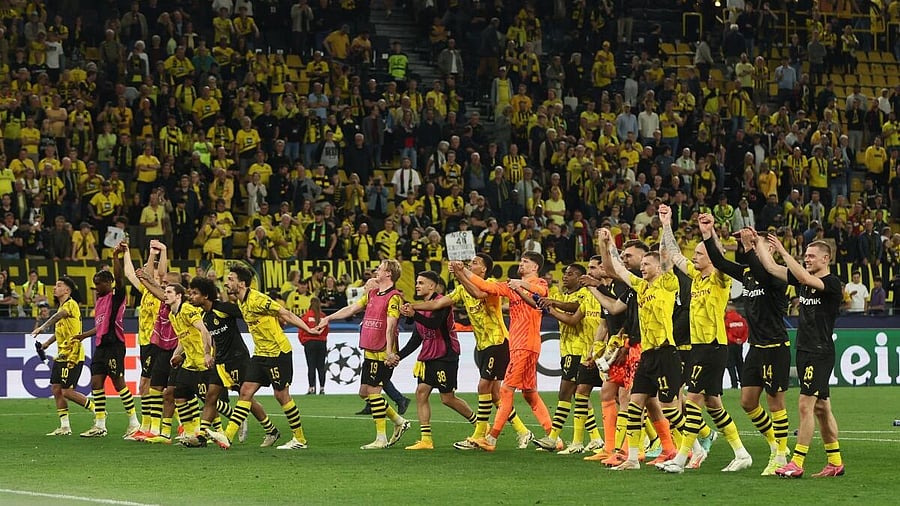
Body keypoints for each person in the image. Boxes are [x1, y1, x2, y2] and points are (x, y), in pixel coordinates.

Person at [657, 208, 753, 473]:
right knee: (713, 404)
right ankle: (741, 453)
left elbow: (720, 258)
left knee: (692, 401)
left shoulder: (720, 279)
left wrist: (708, 233)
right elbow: (675, 255)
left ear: (711, 257)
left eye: (699, 254)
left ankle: (682, 458)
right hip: (700, 347)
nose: (694, 257)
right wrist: (667, 225)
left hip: (712, 346)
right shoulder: (696, 277)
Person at [410, 253, 533, 450]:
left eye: (475, 263)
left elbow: (477, 294)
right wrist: (412, 307)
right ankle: (523, 431)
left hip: (498, 342)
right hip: (482, 346)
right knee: (494, 394)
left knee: (483, 386)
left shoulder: (491, 284)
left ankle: (479, 435)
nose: (470, 265)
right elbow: (436, 304)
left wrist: (460, 274)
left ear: (483, 269)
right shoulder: (461, 289)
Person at [704, 227, 792, 475]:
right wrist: (708, 233)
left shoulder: (778, 274)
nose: (750, 247)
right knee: (748, 402)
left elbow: (763, 274)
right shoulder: (747, 273)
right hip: (756, 347)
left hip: (775, 347)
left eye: (756, 243)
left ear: (770, 248)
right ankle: (775, 444)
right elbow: (720, 262)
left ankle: (780, 456)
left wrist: (749, 246)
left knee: (775, 403)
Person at [596, 228, 684, 471]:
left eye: (647, 264)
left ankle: (692, 446)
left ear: (658, 267)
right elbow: (619, 269)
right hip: (647, 353)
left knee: (669, 409)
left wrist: (666, 224)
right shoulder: (640, 287)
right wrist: (608, 243)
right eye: (642, 264)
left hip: (665, 352)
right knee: (634, 404)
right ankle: (633, 458)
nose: (642, 268)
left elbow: (666, 255)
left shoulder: (667, 283)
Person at [205, 265, 321, 450]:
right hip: (260, 353)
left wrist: (308, 329)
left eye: (231, 279)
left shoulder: (258, 300)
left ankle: (299, 439)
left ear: (242, 283)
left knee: (281, 395)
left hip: (277, 352)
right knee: (245, 391)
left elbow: (285, 313)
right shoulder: (241, 302)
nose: (226, 282)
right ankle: (227, 436)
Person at [757, 237, 845, 478]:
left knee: (805, 405)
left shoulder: (832, 283)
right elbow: (771, 268)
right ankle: (835, 462)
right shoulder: (803, 279)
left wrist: (784, 251)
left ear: (826, 259)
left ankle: (796, 462)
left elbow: (805, 278)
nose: (807, 259)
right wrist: (758, 244)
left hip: (819, 351)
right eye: (805, 256)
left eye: (811, 256)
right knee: (822, 409)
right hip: (805, 349)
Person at [453, 252, 554, 452]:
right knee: (529, 394)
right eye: (521, 260)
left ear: (535, 267)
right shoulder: (510, 286)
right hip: (519, 344)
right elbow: (486, 287)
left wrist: (520, 285)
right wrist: (462, 270)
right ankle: (553, 437)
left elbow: (540, 292)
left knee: (505, 390)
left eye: (525, 262)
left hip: (525, 343)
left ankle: (490, 438)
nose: (521, 264)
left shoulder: (539, 282)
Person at [315, 259, 412, 449]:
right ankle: (399, 421)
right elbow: (351, 308)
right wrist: (328, 318)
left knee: (374, 393)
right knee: (364, 392)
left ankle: (381, 438)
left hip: (382, 352)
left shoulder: (394, 297)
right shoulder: (372, 294)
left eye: (380, 268)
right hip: (370, 349)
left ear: (388, 274)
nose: (377, 270)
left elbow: (391, 326)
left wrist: (390, 352)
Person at [189, 276, 282, 447]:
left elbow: (247, 314)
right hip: (220, 361)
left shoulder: (224, 308)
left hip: (238, 359)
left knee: (246, 398)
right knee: (210, 396)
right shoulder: (204, 315)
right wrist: (209, 354)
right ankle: (201, 436)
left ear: (206, 296)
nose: (191, 296)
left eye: (195, 293)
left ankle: (271, 430)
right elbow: (213, 337)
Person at [397, 271, 476, 449]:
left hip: (445, 355)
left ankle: (480, 425)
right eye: (417, 282)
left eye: (421, 283)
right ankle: (426, 439)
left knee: (447, 398)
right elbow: (417, 338)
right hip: (428, 356)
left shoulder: (442, 303)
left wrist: (414, 314)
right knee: (421, 392)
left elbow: (433, 324)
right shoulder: (421, 307)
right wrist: (398, 356)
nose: (417, 285)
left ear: (432, 286)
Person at [532, 263, 605, 454]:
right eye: (565, 273)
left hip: (579, 349)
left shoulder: (585, 294)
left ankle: (554, 437)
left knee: (566, 393)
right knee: (579, 395)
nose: (565, 276)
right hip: (568, 349)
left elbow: (573, 310)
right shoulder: (565, 295)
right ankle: (594, 438)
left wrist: (553, 305)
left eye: (570, 274)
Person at [136, 272, 214, 443]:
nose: (164, 292)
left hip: (201, 360)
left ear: (179, 294)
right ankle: (186, 433)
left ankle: (224, 429)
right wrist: (176, 355)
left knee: (208, 398)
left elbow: (204, 330)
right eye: (164, 289)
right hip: (185, 360)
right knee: (179, 395)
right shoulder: (173, 314)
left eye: (168, 290)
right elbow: (182, 338)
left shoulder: (187, 309)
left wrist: (207, 353)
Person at [74, 242, 140, 438]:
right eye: (95, 283)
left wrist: (115, 257)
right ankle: (100, 425)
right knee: (96, 383)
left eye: (99, 283)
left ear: (109, 283)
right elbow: (101, 325)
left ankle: (134, 422)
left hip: (114, 345)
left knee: (118, 383)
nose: (96, 287)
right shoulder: (100, 300)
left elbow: (119, 279)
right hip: (101, 346)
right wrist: (85, 335)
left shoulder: (116, 297)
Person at [32, 276, 95, 435]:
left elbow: (58, 316)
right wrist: (46, 344)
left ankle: (98, 411)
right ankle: (65, 427)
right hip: (62, 355)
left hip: (73, 355)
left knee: (67, 391)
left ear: (67, 290)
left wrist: (42, 327)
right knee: (56, 388)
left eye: (59, 285)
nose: (55, 288)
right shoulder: (61, 308)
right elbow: (59, 332)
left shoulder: (71, 304)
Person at [299, 297, 329, 395]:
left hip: (309, 343)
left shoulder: (306, 316)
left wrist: (304, 342)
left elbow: (301, 330)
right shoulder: (323, 316)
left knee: (311, 366)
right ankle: (322, 388)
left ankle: (311, 388)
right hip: (321, 343)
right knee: (321, 366)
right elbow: (326, 331)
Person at [724, 303, 748, 389]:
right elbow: (746, 331)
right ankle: (743, 382)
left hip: (730, 345)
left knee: (731, 365)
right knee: (740, 363)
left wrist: (734, 340)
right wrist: (741, 340)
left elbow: (726, 333)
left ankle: (734, 383)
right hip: (739, 345)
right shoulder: (741, 319)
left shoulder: (726, 319)